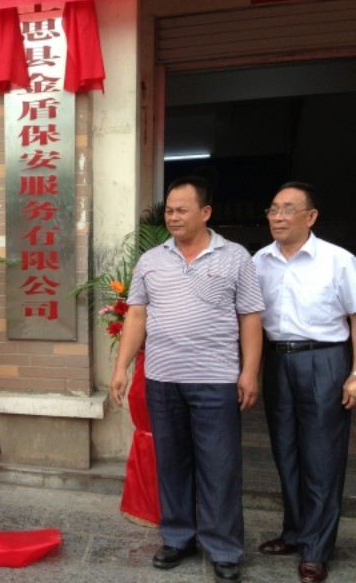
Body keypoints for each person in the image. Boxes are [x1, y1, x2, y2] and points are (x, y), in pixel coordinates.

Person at [110, 176, 264, 583]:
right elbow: (136, 315)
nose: (173, 217)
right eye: (169, 210)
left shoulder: (235, 257)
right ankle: (178, 538)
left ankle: (224, 548)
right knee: (172, 463)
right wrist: (122, 367)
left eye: (182, 210)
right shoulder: (151, 259)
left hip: (215, 380)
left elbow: (250, 317)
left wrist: (249, 371)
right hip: (162, 379)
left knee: (220, 466)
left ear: (205, 212)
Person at [253, 182, 356, 583]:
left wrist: (355, 374)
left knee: (322, 458)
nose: (277, 217)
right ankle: (294, 532)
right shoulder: (259, 261)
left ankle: (316, 548)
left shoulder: (338, 260)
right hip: (278, 361)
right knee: (287, 453)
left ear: (310, 217)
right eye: (273, 209)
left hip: (325, 360)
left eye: (287, 209)